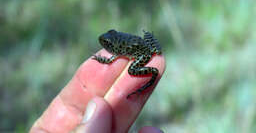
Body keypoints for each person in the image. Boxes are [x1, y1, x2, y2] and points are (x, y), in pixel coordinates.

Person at [30, 49, 165, 133]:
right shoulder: (119, 50)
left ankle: (152, 73)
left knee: (131, 70)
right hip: (144, 46)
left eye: (107, 43)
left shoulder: (118, 51)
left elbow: (109, 60)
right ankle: (152, 73)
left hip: (143, 53)